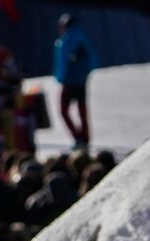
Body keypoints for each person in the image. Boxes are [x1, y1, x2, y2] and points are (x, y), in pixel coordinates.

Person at [53, 14, 97, 149]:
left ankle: (78, 138)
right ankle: (85, 137)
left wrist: (60, 78)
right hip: (82, 81)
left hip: (69, 82)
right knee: (82, 110)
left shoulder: (65, 41)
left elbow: (62, 63)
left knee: (63, 110)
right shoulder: (82, 38)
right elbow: (93, 60)